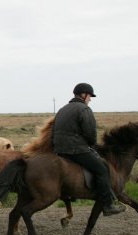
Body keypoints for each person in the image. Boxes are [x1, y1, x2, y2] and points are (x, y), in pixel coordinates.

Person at [52, 83, 126, 216]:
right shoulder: (84, 109)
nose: (90, 99)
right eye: (90, 96)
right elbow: (90, 134)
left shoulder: (62, 109)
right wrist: (91, 144)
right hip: (76, 150)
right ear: (83, 95)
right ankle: (108, 205)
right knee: (102, 168)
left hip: (59, 150)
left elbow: (53, 132)